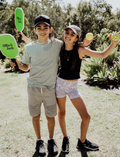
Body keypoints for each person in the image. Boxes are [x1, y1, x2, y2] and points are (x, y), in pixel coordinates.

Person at [11, 15, 91, 156]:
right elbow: (25, 67)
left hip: (50, 87)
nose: (42, 30)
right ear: (35, 30)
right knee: (35, 116)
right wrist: (17, 63)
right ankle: (39, 141)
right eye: (39, 28)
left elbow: (72, 43)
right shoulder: (29, 48)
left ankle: (51, 140)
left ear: (50, 29)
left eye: (45, 28)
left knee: (50, 117)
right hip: (33, 88)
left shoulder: (57, 44)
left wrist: (84, 43)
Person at [55, 25, 119, 154]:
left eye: (72, 34)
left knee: (86, 117)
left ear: (76, 38)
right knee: (61, 113)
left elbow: (102, 54)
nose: (68, 35)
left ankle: (82, 142)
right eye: (66, 32)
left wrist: (114, 43)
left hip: (73, 88)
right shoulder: (59, 47)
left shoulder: (80, 50)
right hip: (60, 85)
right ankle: (65, 138)